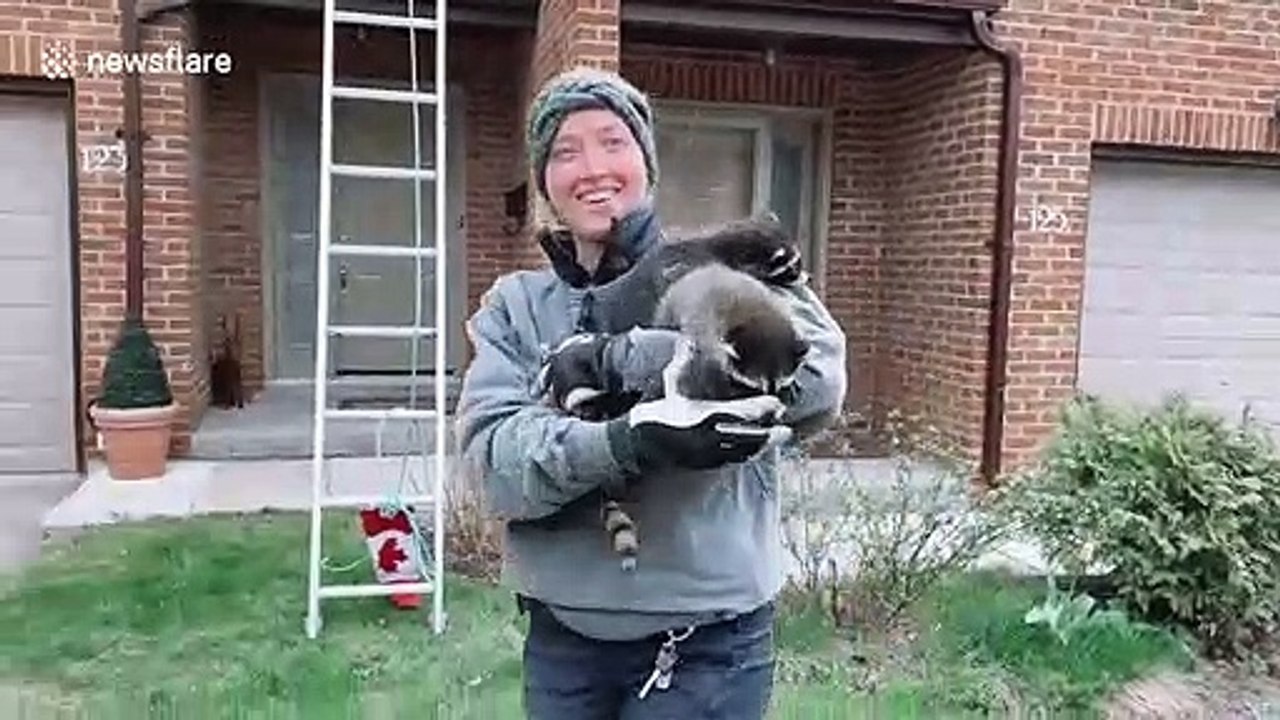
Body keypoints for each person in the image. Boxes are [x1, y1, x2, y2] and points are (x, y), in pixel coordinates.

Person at [454, 66, 848, 720]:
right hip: (564, 643)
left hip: (707, 643)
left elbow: (815, 385)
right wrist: (625, 441)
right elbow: (496, 468)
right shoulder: (516, 308)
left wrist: (625, 359)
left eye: (613, 142)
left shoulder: (725, 266)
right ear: (545, 181)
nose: (592, 168)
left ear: (647, 162)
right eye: (565, 151)